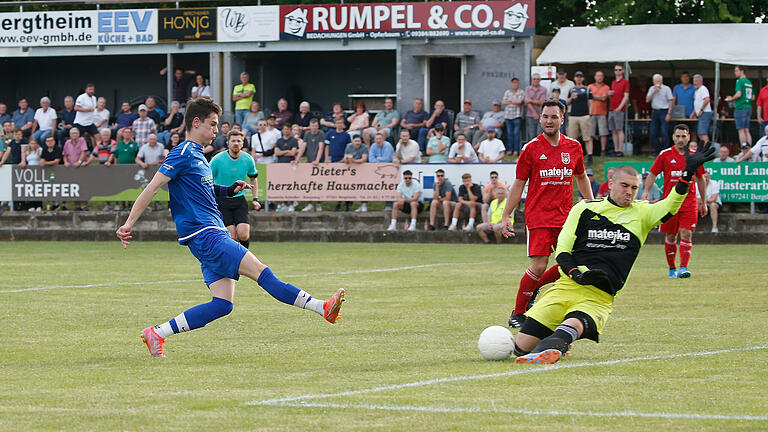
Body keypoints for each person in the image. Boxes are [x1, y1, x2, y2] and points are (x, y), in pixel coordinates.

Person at [116, 97, 345, 358]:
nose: (217, 130)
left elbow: (204, 190)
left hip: (209, 235)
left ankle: (156, 333)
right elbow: (153, 187)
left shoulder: (200, 157)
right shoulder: (182, 153)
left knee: (222, 304)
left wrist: (228, 189)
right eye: (213, 125)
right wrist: (128, 224)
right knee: (262, 272)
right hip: (207, 236)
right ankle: (322, 308)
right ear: (196, 122)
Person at [513, 149, 714, 364]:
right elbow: (562, 250)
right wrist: (576, 275)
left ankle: (552, 348)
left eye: (634, 188)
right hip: (566, 287)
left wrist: (687, 174)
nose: (629, 192)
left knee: (574, 323)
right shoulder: (584, 209)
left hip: (599, 296)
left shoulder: (642, 213)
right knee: (520, 347)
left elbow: (670, 205)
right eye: (624, 185)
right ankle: (550, 342)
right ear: (611, 184)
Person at [501, 100, 594, 328]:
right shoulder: (530, 149)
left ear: (562, 120)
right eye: (545, 117)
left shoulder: (574, 147)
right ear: (540, 119)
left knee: (569, 265)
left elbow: (581, 177)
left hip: (566, 217)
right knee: (539, 266)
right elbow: (519, 184)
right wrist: (506, 216)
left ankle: (532, 290)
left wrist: (591, 204)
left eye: (553, 117)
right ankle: (518, 312)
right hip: (539, 216)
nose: (549, 121)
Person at [642, 124, 707, 279]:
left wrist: (703, 201)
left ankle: (684, 267)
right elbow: (652, 173)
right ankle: (672, 269)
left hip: (689, 201)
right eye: (677, 136)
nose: (680, 139)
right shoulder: (665, 155)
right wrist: (645, 192)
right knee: (671, 236)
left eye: (683, 136)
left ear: (689, 137)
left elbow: (701, 178)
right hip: (669, 203)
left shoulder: (694, 156)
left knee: (686, 233)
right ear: (673, 137)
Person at [210, 129, 261, 249]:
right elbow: (207, 180)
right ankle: (234, 262)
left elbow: (253, 179)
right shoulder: (217, 159)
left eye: (239, 141)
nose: (236, 143)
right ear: (228, 143)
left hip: (239, 200)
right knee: (231, 236)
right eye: (233, 141)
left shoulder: (248, 159)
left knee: (243, 234)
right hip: (222, 200)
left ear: (243, 143)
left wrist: (255, 198)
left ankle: (245, 258)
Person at [567, 71, 593, 166]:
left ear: (583, 78)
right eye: (577, 77)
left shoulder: (587, 89)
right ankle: (572, 156)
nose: (578, 78)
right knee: (572, 138)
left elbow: (591, 102)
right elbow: (567, 102)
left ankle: (590, 156)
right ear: (574, 78)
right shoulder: (571, 90)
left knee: (587, 137)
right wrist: (571, 98)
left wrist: (590, 114)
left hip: (584, 115)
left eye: (580, 77)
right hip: (573, 115)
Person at [725, 65, 754, 148]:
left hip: (741, 107)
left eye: (736, 71)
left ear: (742, 71)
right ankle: (749, 148)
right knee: (747, 129)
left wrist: (731, 99)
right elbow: (753, 97)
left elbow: (738, 94)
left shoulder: (739, 81)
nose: (735, 73)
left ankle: (743, 148)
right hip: (748, 106)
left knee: (741, 130)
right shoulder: (749, 82)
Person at [646, 74, 674, 156]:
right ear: (653, 81)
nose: (658, 82)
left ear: (662, 81)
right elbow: (647, 100)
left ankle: (665, 152)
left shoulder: (666, 89)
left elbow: (671, 101)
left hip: (664, 111)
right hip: (655, 112)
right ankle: (657, 151)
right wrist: (654, 92)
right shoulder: (651, 89)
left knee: (664, 132)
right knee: (654, 132)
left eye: (659, 81)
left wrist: (669, 113)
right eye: (656, 81)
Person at [343, 134, 369, 212]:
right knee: (349, 186)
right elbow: (345, 157)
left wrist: (354, 161)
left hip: (362, 169)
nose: (357, 142)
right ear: (352, 141)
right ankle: (348, 205)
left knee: (363, 187)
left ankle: (364, 205)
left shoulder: (364, 147)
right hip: (351, 169)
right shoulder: (348, 146)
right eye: (356, 141)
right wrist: (347, 160)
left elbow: (364, 159)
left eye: (359, 141)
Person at [608, 64, 630, 156]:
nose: (617, 71)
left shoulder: (625, 82)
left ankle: (620, 150)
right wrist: (609, 94)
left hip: (619, 109)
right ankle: (616, 149)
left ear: (623, 71)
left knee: (619, 129)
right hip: (612, 108)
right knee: (613, 130)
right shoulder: (613, 82)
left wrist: (620, 107)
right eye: (616, 70)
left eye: (619, 70)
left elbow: (626, 96)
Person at [588, 71, 611, 157]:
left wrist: (594, 96)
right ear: (595, 77)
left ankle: (603, 151)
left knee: (603, 133)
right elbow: (589, 97)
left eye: (601, 76)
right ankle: (590, 152)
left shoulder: (606, 87)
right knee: (590, 133)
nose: (599, 77)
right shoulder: (590, 87)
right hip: (591, 112)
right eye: (598, 76)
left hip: (602, 113)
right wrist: (599, 97)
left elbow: (604, 98)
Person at [502, 78, 525, 155]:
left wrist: (509, 101)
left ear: (518, 84)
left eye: (516, 83)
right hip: (508, 116)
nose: (515, 84)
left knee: (516, 133)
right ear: (511, 84)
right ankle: (510, 150)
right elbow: (503, 102)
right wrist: (514, 101)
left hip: (517, 115)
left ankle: (516, 150)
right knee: (509, 133)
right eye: (513, 83)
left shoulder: (521, 92)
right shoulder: (507, 92)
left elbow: (520, 102)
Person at [691, 74, 713, 144]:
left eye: (697, 81)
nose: (695, 83)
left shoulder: (703, 88)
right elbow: (697, 103)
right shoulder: (696, 91)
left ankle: (706, 150)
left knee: (702, 133)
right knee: (700, 133)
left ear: (701, 81)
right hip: (701, 113)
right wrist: (693, 113)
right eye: (694, 81)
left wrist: (701, 109)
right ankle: (704, 149)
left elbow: (707, 99)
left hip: (705, 113)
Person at [524, 74, 547, 141]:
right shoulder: (528, 89)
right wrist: (534, 112)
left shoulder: (543, 89)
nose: (536, 80)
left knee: (540, 135)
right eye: (534, 79)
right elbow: (526, 101)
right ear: (532, 80)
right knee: (531, 135)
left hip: (541, 115)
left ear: (540, 80)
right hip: (530, 115)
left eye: (537, 79)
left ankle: (539, 151)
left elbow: (542, 102)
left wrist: (531, 100)